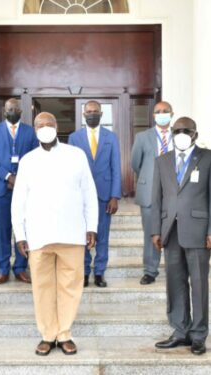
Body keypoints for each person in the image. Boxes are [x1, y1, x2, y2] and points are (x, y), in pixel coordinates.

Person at [12, 112, 98, 356]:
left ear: (57, 127)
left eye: (50, 123)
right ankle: (48, 335)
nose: (45, 127)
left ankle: (65, 334)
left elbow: (89, 193)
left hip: (72, 232)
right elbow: (18, 200)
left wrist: (92, 226)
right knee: (42, 287)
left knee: (70, 286)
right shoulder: (28, 160)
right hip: (39, 235)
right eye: (40, 124)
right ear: (35, 129)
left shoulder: (76, 155)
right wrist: (20, 233)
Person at [151, 117, 211, 355]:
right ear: (171, 133)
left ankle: (199, 334)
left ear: (195, 134)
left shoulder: (210, 159)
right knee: (175, 283)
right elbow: (156, 198)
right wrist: (155, 230)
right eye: (177, 131)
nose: (181, 134)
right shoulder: (162, 161)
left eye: (186, 131)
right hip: (170, 232)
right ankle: (180, 330)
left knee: (199, 283)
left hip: (199, 232)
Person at [68, 100, 121, 288]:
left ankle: (99, 272)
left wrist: (115, 196)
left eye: (95, 111)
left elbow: (116, 167)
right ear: (83, 115)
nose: (92, 114)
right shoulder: (74, 138)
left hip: (104, 196)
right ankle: (84, 272)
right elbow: (70, 169)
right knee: (82, 235)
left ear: (101, 113)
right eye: (88, 111)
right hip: (80, 197)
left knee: (102, 236)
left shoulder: (111, 137)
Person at [0, 98, 38, 284]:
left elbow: (35, 158)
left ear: (21, 111)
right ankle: (3, 268)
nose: (13, 111)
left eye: (16, 108)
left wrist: (21, 179)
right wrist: (8, 177)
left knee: (23, 229)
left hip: (24, 189)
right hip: (1, 189)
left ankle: (21, 268)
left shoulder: (30, 132)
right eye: (9, 109)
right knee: (3, 230)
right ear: (4, 111)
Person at [131, 101, 174, 285]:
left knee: (175, 232)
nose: (162, 114)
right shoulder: (142, 137)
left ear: (172, 114)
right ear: (153, 115)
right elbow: (136, 163)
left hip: (174, 192)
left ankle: (175, 268)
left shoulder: (180, 135)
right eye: (158, 111)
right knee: (151, 232)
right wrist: (150, 179)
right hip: (149, 192)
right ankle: (150, 270)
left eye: (165, 111)